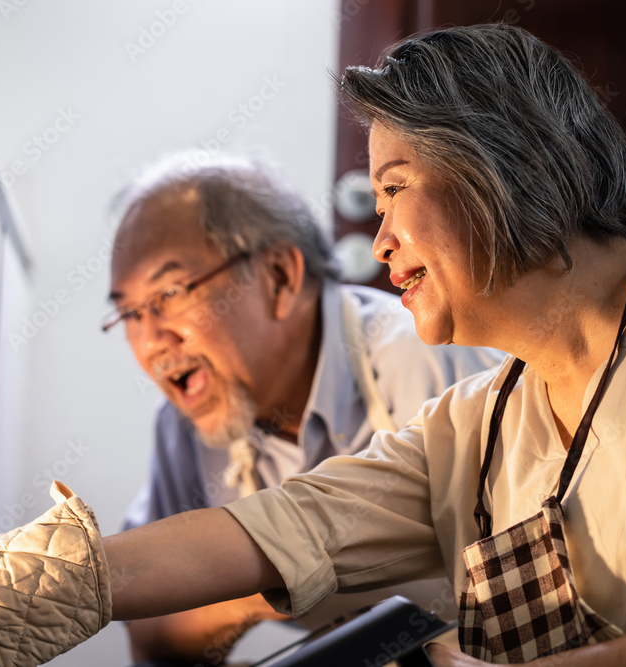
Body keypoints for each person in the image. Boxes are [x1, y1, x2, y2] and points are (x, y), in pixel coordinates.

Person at [0, 24, 626, 667]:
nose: (380, 238)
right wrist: (37, 580)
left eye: (395, 187)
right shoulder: (488, 416)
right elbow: (289, 523)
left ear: (507, 169)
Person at [105, 153, 503, 663]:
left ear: (279, 275)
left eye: (171, 293)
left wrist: (239, 568)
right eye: (128, 314)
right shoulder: (186, 428)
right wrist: (255, 592)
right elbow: (152, 636)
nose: (152, 341)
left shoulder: (421, 356)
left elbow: (527, 586)